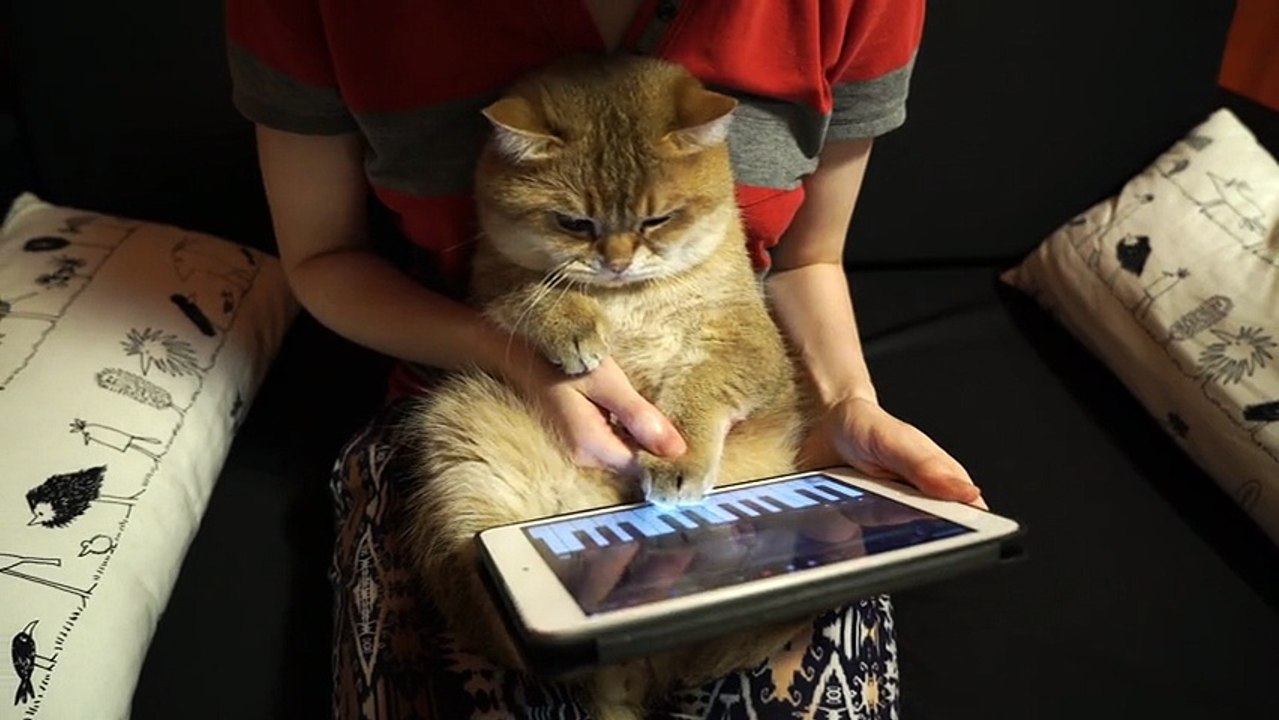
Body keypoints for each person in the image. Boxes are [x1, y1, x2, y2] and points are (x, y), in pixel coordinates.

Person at [225, 1, 984, 717]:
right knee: (505, 639)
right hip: (496, 407)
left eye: (649, 226)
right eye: (584, 227)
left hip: (740, 449)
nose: (619, 260)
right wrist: (517, 355)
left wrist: (848, 403)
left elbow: (805, 260)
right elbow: (325, 258)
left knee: (753, 654)